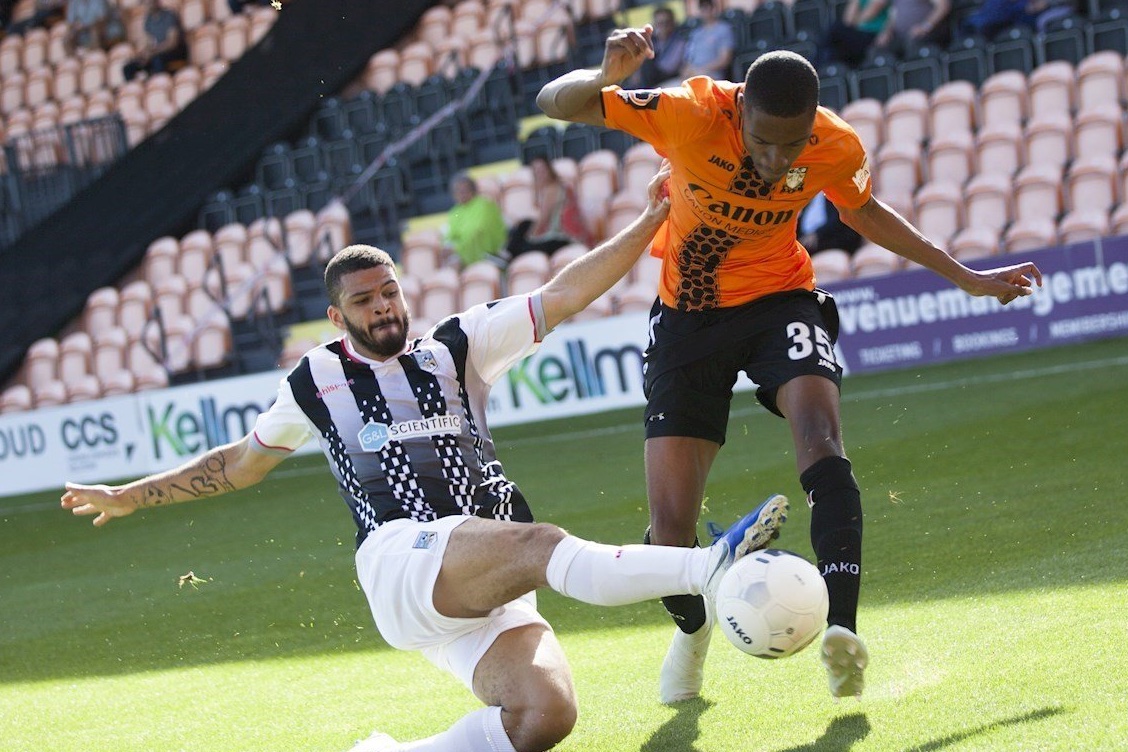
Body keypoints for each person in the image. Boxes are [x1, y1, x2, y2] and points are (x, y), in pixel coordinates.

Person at [61, 168, 790, 752]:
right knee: (540, 544)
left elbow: (563, 294)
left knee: (546, 716)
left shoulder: (458, 346)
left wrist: (655, 218)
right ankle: (708, 566)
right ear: (337, 316)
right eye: (364, 301)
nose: (383, 308)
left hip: (483, 575)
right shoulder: (313, 380)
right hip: (401, 562)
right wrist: (132, 496)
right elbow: (239, 464)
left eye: (389, 293)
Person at [537, 35, 1043, 703]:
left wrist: (967, 278)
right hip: (688, 319)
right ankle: (693, 637)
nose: (778, 161)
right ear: (739, 108)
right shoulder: (690, 110)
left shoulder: (833, 143)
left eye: (792, 144)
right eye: (765, 143)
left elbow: (862, 210)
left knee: (821, 439)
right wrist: (606, 75)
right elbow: (554, 103)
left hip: (782, 299)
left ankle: (843, 632)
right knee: (669, 533)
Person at [506, 156, 591, 258]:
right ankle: (508, 254)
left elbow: (543, 220)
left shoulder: (553, 189)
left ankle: (508, 256)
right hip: (556, 232)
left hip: (564, 238)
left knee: (523, 246)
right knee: (524, 224)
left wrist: (529, 238)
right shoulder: (547, 189)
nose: (539, 174)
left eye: (542, 170)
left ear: (549, 170)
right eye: (536, 171)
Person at [441, 172, 509, 267]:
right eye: (457, 191)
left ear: (473, 190)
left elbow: (477, 231)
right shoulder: (455, 212)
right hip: (463, 253)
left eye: (464, 190)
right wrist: (449, 247)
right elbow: (451, 235)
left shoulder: (484, 205)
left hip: (489, 253)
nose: (461, 193)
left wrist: (457, 248)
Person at [122, 0, 188, 82]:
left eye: (150, 2)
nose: (148, 5)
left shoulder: (169, 15)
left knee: (157, 60)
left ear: (157, 2)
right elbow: (147, 43)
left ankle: (161, 83)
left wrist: (154, 52)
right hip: (157, 52)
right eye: (146, 3)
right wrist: (142, 55)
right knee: (128, 67)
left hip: (175, 52)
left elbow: (172, 43)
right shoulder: (148, 20)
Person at [626, 5, 687, 89]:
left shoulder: (679, 41)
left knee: (646, 64)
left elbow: (670, 67)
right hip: (651, 76)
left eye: (667, 22)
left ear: (673, 23)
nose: (664, 27)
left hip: (667, 74)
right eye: (660, 23)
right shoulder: (653, 41)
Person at [818, 0, 891, 68]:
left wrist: (856, 21)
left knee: (835, 31)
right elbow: (848, 20)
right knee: (831, 51)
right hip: (857, 33)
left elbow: (871, 12)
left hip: (873, 34)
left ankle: (815, 68)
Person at [679, 0, 735, 81]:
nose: (706, 10)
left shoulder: (723, 29)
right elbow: (689, 58)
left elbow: (725, 59)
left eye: (708, 7)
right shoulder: (696, 33)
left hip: (713, 75)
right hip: (692, 74)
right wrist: (686, 71)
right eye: (703, 8)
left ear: (714, 8)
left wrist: (701, 69)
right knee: (664, 89)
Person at [874, 0, 951, 54]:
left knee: (913, 42)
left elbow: (943, 6)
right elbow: (893, 16)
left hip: (927, 32)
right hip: (899, 35)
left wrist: (925, 26)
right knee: (878, 48)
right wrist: (886, 31)